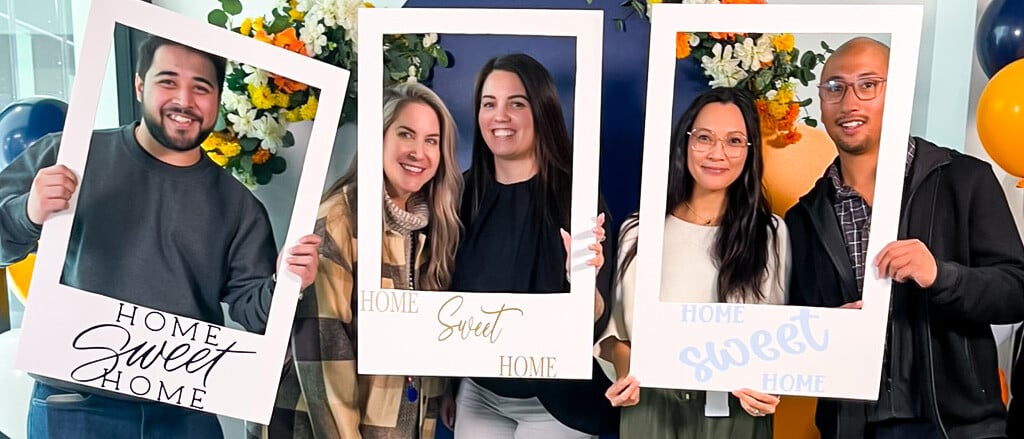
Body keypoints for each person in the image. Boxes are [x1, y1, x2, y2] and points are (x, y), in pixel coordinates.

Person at [0, 35, 320, 438]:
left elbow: (254, 313)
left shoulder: (239, 206)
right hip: (76, 407)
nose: (184, 100)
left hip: (184, 413)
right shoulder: (68, 155)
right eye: (168, 81)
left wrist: (287, 282)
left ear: (218, 99)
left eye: (200, 87)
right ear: (139, 85)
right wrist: (28, 212)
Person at [785, 37, 1024, 439]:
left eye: (868, 85)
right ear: (821, 104)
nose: (849, 102)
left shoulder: (964, 180)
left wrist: (941, 275)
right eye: (834, 87)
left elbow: (1016, 289)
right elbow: (795, 328)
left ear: (898, 94)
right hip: (852, 426)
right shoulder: (803, 218)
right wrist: (825, 331)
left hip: (958, 427)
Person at [262, 82, 463, 439]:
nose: (419, 151)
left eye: (431, 140)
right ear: (379, 139)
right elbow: (324, 350)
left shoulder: (432, 229)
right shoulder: (339, 219)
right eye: (406, 134)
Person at [441, 53, 618, 438]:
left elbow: (599, 318)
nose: (499, 116)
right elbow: (445, 297)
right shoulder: (459, 195)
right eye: (489, 104)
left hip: (558, 400)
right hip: (479, 392)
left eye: (516, 104)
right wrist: (449, 384)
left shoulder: (577, 196)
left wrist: (580, 280)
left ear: (541, 111)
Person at [598, 87, 789, 438]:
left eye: (734, 141)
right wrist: (627, 372)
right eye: (704, 137)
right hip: (650, 409)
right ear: (685, 142)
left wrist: (768, 386)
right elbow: (614, 335)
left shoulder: (770, 233)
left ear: (750, 152)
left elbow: (779, 335)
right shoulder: (639, 230)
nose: (718, 153)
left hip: (736, 412)